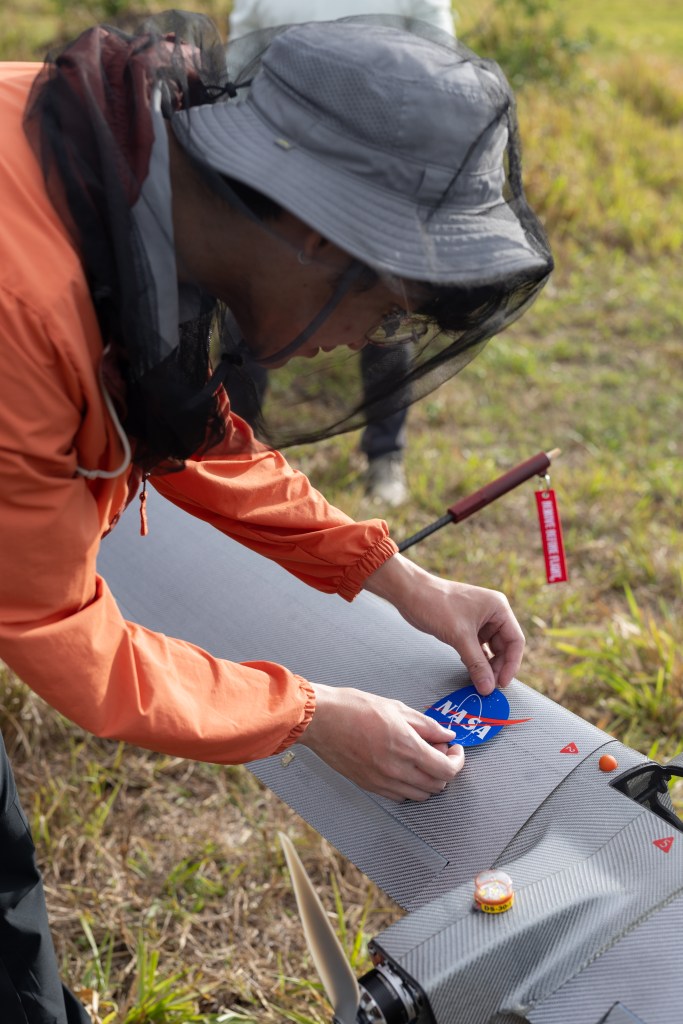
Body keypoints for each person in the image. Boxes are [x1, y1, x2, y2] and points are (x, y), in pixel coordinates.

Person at [0, 11, 552, 1021]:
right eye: (377, 311)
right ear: (310, 231)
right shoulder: (18, 301)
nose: (357, 345)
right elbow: (61, 631)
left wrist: (397, 577)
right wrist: (307, 713)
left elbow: (185, 422)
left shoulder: (124, 174)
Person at [227, 0, 457, 506]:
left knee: (385, 314)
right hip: (279, 168)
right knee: (249, 307)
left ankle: (384, 456)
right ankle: (236, 455)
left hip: (381, 171)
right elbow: (238, 65)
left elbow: (442, 67)